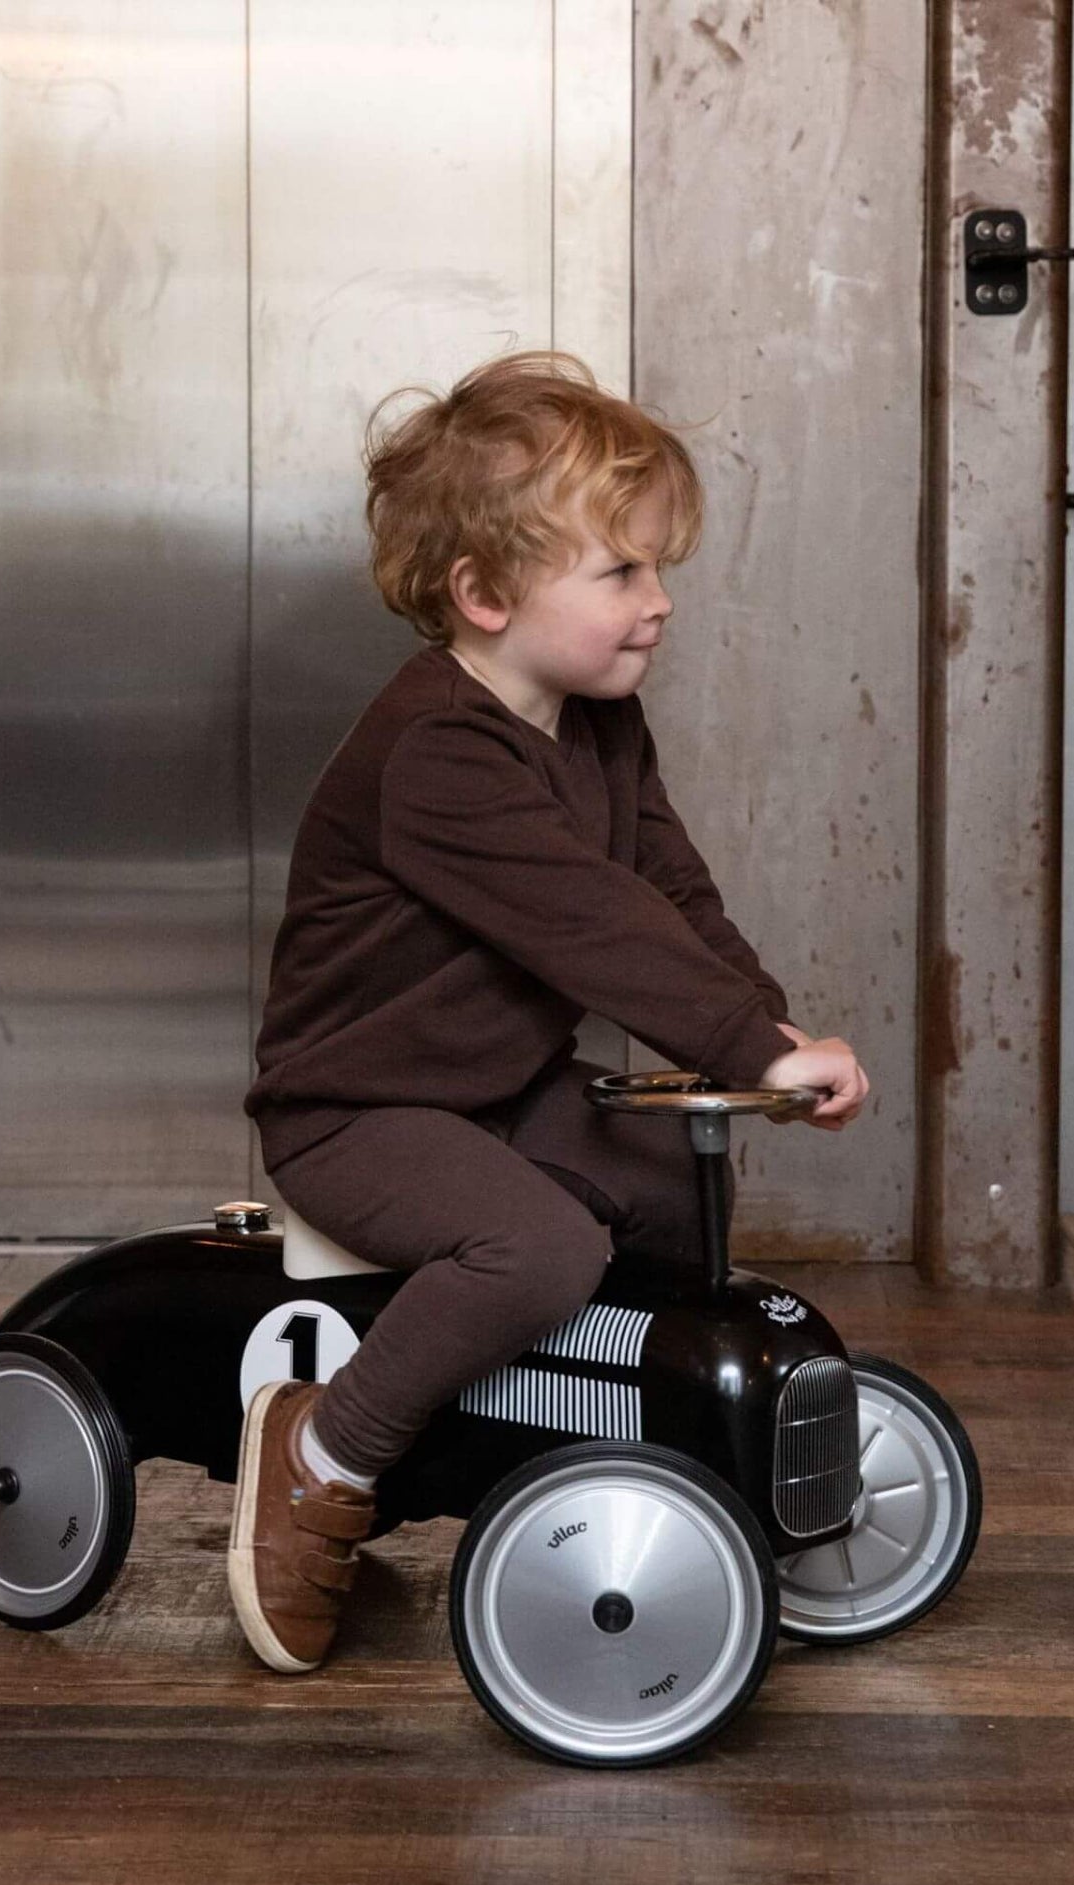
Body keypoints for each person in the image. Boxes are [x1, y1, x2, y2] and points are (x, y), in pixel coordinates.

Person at [230, 348, 870, 1673]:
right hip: (359, 1107)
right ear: (483, 596)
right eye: (622, 571)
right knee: (535, 1249)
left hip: (497, 1085)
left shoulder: (597, 725)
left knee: (657, 1178)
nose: (660, 603)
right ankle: (325, 1448)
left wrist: (768, 1039)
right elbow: (591, 929)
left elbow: (667, 891)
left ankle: (597, 1439)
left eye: (657, 567)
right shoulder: (440, 756)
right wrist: (753, 1050)